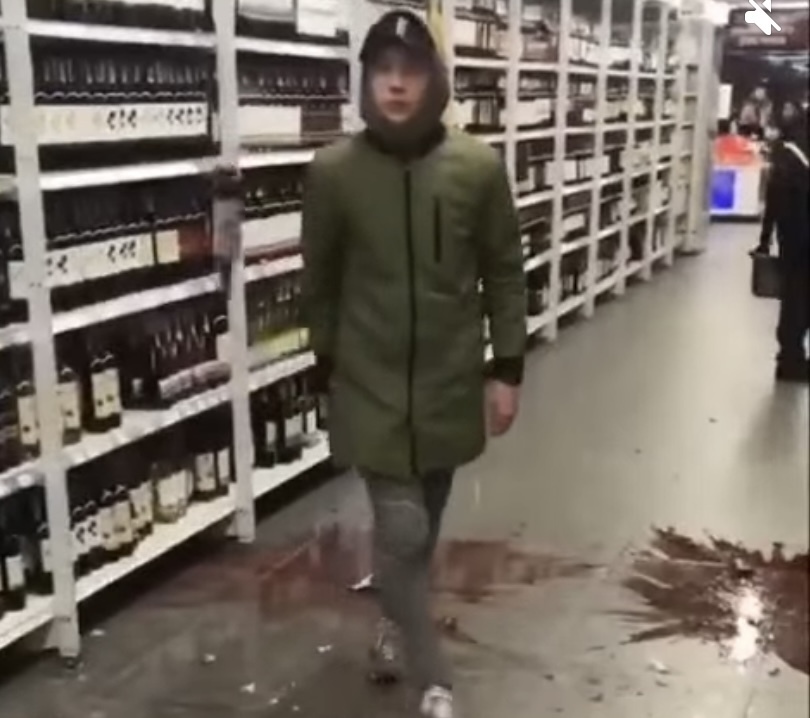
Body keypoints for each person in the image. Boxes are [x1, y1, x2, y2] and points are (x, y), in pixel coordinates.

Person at [301, 9, 526, 717]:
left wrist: (507, 367)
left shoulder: (477, 169)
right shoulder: (334, 174)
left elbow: (504, 271)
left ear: (435, 80)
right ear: (365, 80)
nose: (396, 84)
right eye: (383, 71)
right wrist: (325, 364)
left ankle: (392, 627)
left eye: (411, 71)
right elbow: (319, 281)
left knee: (419, 532)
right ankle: (436, 678)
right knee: (403, 529)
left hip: (447, 384)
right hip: (368, 384)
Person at [756, 110, 809, 382]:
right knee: (799, 299)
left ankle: (790, 356)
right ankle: (791, 359)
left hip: (791, 237)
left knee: (793, 296)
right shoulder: (795, 154)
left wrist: (765, 239)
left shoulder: (786, 152)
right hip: (802, 238)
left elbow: (773, 198)